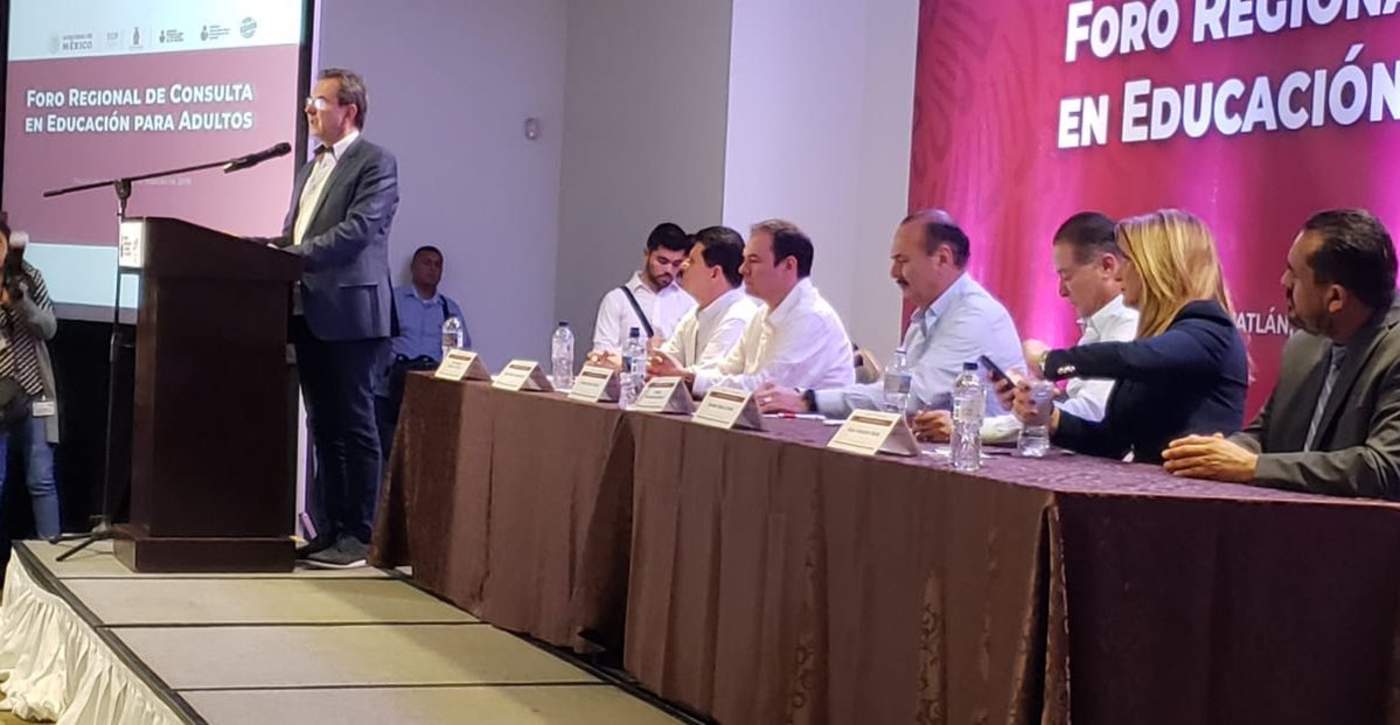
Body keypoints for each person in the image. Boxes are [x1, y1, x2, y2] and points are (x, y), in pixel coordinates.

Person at [261, 68, 399, 568]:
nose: (308, 109)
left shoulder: (375, 162)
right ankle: (330, 528)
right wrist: (260, 250)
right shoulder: (310, 167)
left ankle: (360, 536)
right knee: (323, 426)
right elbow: (295, 233)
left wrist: (289, 256)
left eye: (318, 101)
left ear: (349, 110)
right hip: (309, 311)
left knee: (355, 425)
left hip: (353, 316)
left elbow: (357, 232)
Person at [1163, 209, 1400, 499]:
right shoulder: (1303, 346)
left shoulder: (1394, 351)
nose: (1283, 281)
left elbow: (1385, 467)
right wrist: (1214, 453)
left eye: (1294, 274)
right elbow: (1264, 435)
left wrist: (1253, 467)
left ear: (1335, 297)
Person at [1012, 209, 1248, 463]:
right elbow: (1112, 442)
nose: (1118, 274)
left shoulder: (1209, 328)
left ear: (1157, 267)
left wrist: (1049, 361)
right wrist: (1049, 417)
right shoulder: (1155, 340)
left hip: (1191, 486)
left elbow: (1128, 357)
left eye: (1126, 261)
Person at [755, 210, 1021, 419]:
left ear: (942, 258)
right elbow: (893, 392)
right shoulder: (925, 316)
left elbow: (914, 397)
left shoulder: (974, 316)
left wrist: (810, 400)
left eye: (902, 261)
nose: (893, 273)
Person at [929, 212, 1139, 442]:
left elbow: (1091, 415)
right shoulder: (1099, 324)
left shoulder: (1128, 323)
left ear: (1107, 266)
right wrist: (1028, 401)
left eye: (1067, 277)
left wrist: (971, 428)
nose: (1062, 291)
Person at [689, 219, 853, 396]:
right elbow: (727, 370)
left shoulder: (812, 317)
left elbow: (767, 388)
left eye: (753, 261)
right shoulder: (762, 314)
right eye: (744, 260)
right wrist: (687, 377)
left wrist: (694, 381)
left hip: (807, 415)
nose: (742, 269)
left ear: (788, 265)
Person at [373, 245, 466, 457]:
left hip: (432, 393)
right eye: (427, 263)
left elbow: (461, 353)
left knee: (427, 454)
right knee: (387, 454)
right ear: (413, 267)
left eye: (437, 265)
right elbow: (377, 342)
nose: (432, 269)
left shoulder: (449, 309)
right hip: (391, 390)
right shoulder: (393, 300)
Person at [0, 225, 60, 540]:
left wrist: (20, 302)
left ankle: (49, 551)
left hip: (34, 394)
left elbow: (49, 328)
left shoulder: (30, 277)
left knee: (41, 480)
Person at [647, 225, 759, 376]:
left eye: (692, 261)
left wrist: (671, 372)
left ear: (714, 273)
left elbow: (708, 376)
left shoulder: (738, 316)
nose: (683, 265)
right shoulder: (694, 314)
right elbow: (665, 361)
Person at [588, 222, 695, 360]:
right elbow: (601, 355)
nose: (669, 270)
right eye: (662, 261)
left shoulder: (688, 303)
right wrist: (643, 352)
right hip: (625, 374)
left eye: (676, 264)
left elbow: (693, 357)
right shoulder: (616, 300)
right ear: (647, 254)